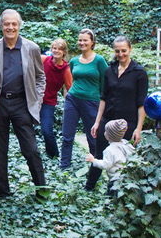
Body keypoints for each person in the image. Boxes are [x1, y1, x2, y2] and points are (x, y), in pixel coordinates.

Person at [0, 9, 47, 199]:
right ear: (1, 26)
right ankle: (4, 192)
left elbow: (40, 77)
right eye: (6, 24)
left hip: (22, 104)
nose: (10, 27)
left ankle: (42, 190)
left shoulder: (32, 48)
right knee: (0, 151)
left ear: (19, 25)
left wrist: (37, 102)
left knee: (31, 150)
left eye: (14, 24)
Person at [85, 35, 147, 191]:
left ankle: (119, 192)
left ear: (130, 49)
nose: (121, 54)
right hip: (108, 120)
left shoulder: (139, 73)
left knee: (123, 160)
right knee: (99, 154)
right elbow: (104, 98)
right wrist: (97, 122)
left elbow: (142, 104)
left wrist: (138, 128)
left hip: (127, 124)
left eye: (124, 50)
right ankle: (89, 188)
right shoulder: (109, 70)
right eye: (117, 51)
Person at [60, 29, 107, 170]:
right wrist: (67, 94)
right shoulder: (74, 61)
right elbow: (70, 80)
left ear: (92, 42)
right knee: (67, 135)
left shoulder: (99, 60)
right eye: (80, 40)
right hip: (72, 100)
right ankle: (64, 166)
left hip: (91, 102)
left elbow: (105, 83)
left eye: (85, 40)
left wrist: (101, 101)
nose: (82, 43)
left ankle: (95, 165)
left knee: (92, 136)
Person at [40, 38, 73, 158]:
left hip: (48, 102)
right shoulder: (44, 59)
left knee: (47, 130)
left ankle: (53, 155)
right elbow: (29, 61)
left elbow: (70, 88)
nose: (56, 51)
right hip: (34, 99)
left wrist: (70, 106)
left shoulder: (65, 69)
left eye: (59, 49)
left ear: (64, 52)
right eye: (54, 48)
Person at [85, 118, 135, 195]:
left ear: (108, 135)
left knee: (110, 197)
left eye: (106, 131)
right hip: (126, 178)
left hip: (115, 180)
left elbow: (106, 165)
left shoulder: (110, 150)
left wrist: (93, 160)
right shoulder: (126, 144)